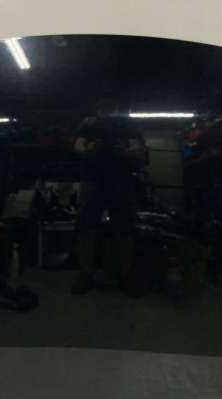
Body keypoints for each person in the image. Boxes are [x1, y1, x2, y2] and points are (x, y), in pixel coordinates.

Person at [71, 99, 148, 295]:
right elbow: (78, 145)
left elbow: (137, 148)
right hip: (93, 180)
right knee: (86, 227)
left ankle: (126, 275)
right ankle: (86, 274)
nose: (107, 111)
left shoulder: (127, 124)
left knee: (125, 228)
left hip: (120, 181)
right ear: (98, 109)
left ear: (117, 108)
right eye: (103, 107)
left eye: (111, 107)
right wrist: (89, 149)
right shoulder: (89, 124)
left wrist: (125, 151)